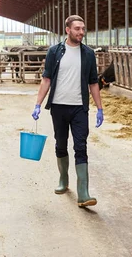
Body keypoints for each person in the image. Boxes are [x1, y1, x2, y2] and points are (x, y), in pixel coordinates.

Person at [31, 15, 104, 207]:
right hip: (58, 106)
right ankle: (63, 179)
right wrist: (38, 103)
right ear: (67, 30)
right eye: (77, 28)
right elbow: (46, 79)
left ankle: (83, 193)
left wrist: (99, 108)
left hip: (79, 107)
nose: (81, 32)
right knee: (61, 144)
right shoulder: (55, 52)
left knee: (81, 146)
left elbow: (93, 82)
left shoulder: (88, 53)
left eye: (83, 28)